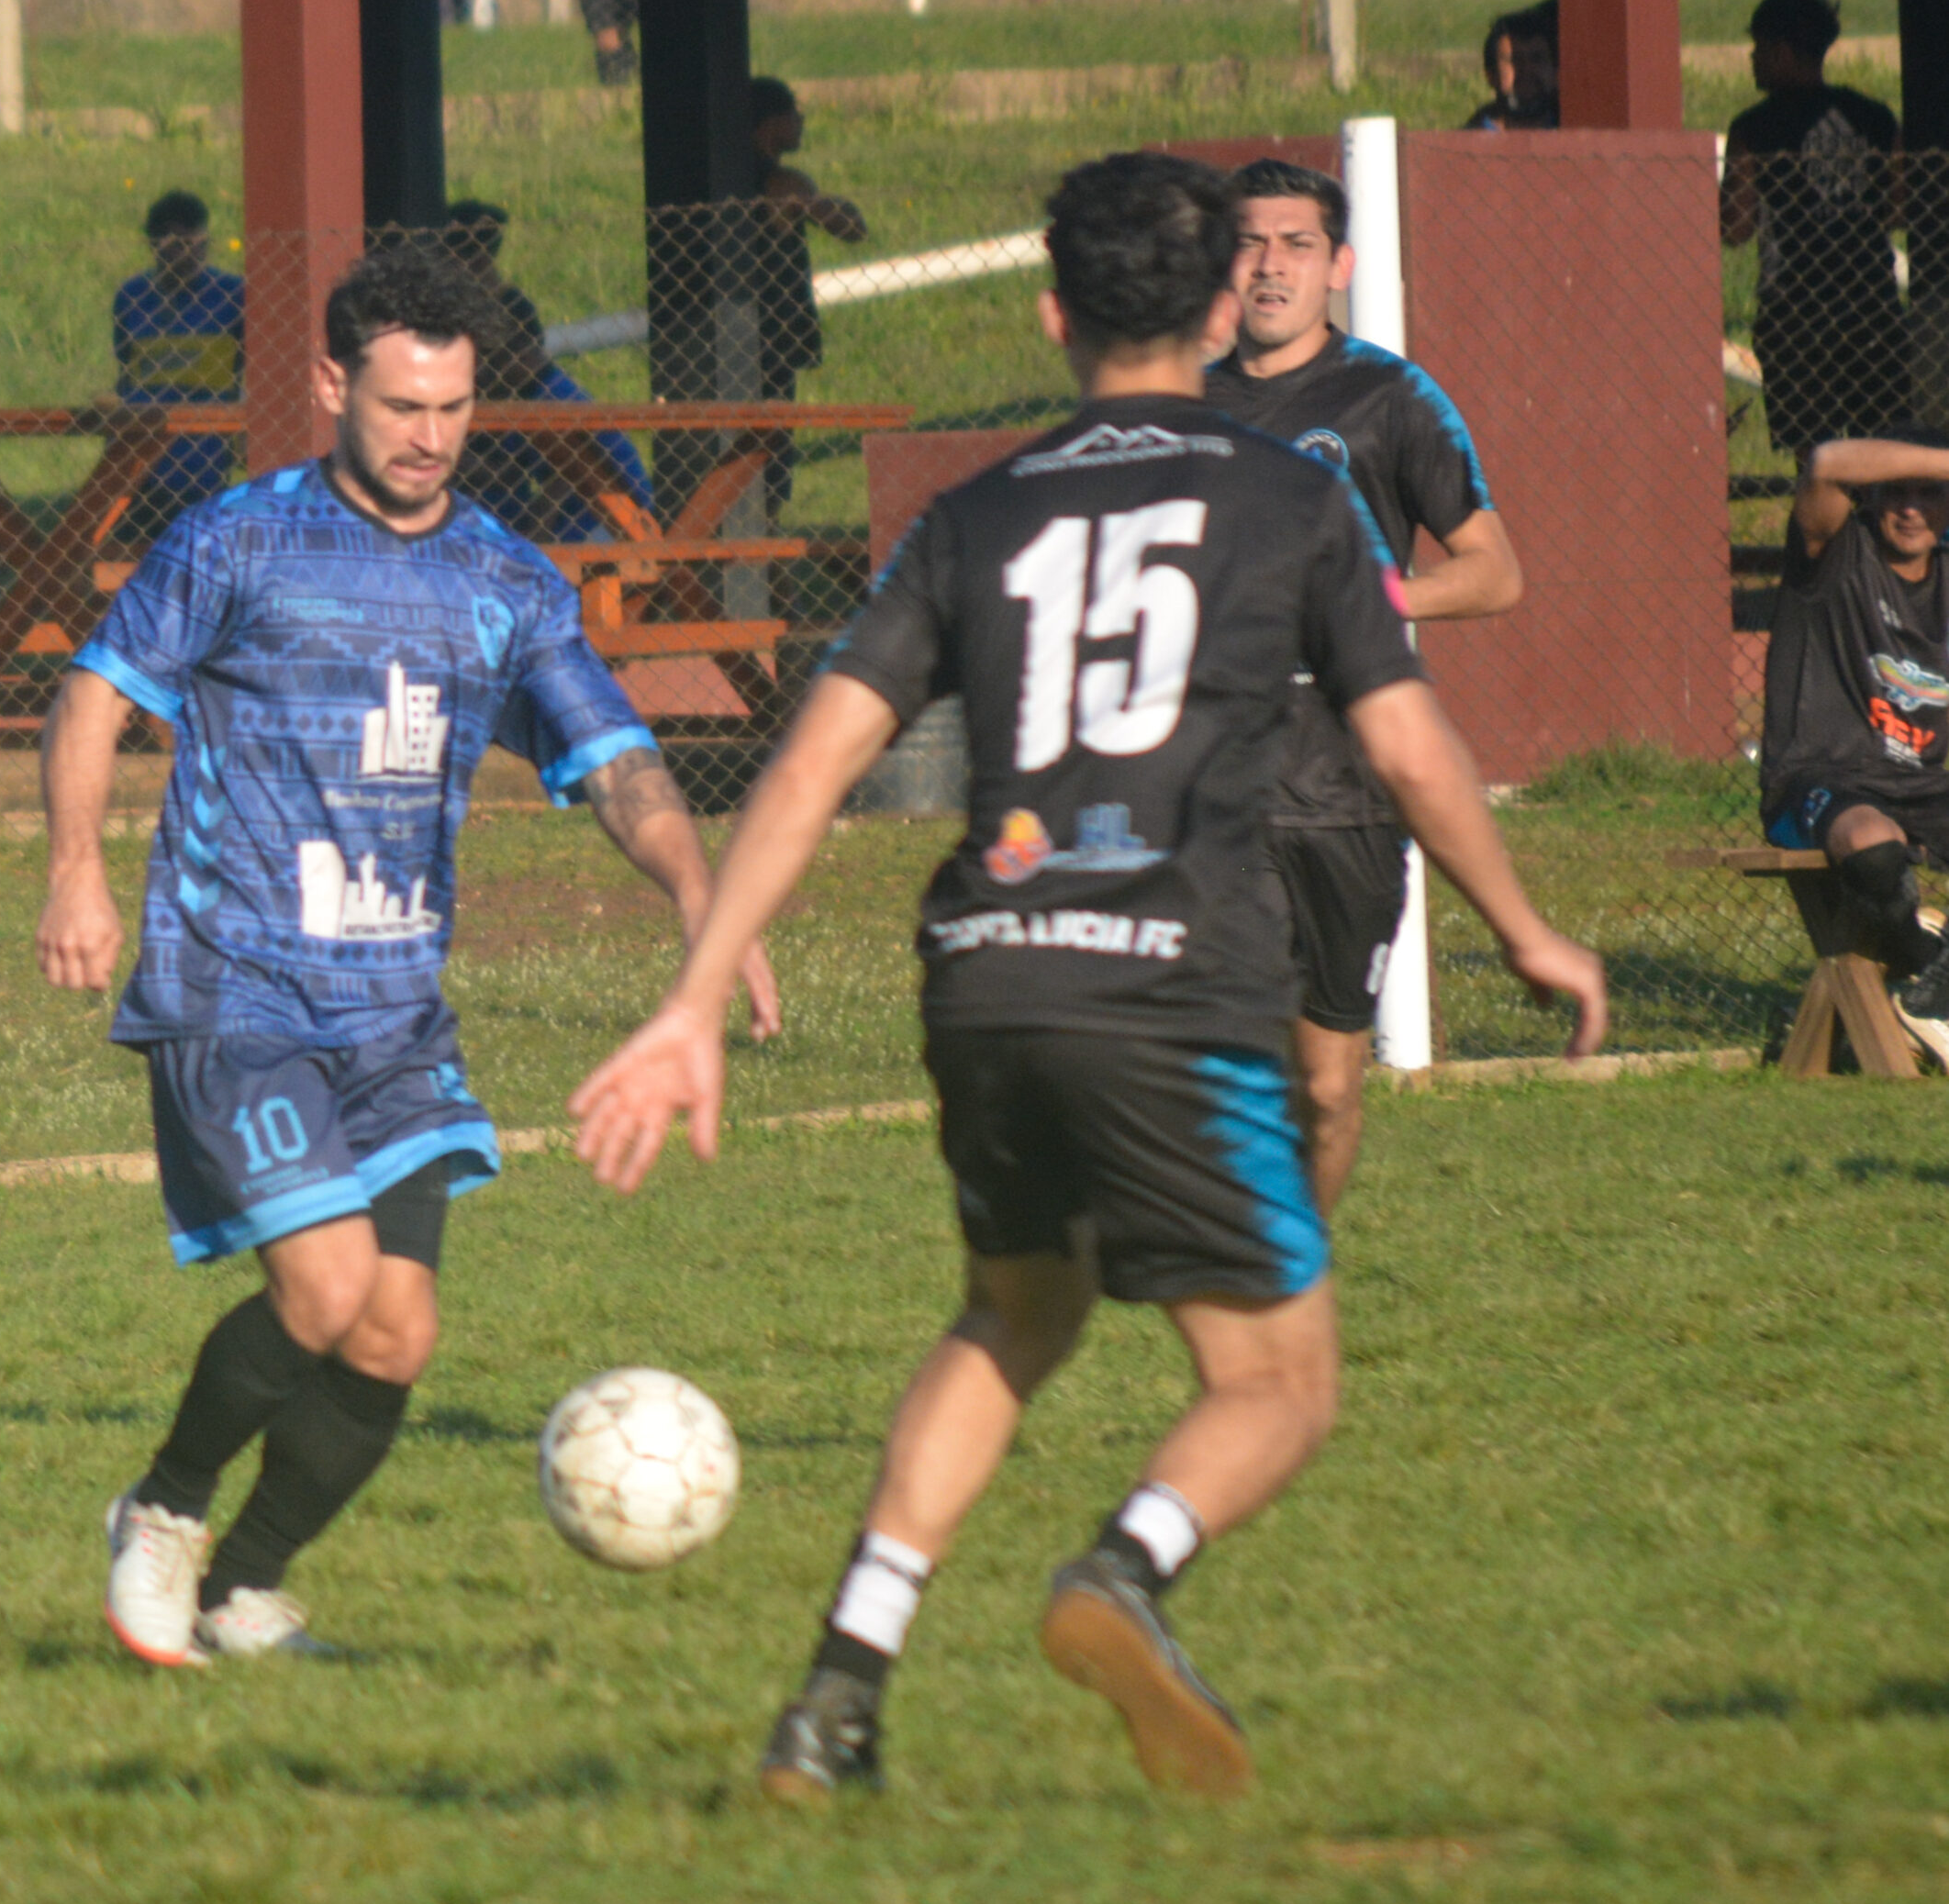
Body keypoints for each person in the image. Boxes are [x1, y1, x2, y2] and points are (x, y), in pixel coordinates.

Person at [568, 152, 1605, 1804]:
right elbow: (1408, 747)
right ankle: (1123, 1572)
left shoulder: (975, 513)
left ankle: (838, 1693)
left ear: (1051, 314)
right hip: (1174, 979)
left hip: (985, 971)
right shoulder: (1292, 500)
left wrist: (692, 999)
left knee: (1015, 1312)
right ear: (1215, 304)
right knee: (1276, 1382)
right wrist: (1523, 927)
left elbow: (814, 759)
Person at [37, 244, 779, 1668]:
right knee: (323, 1292)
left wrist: (700, 894)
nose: (429, 437)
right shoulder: (236, 540)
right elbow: (92, 694)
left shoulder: (503, 580)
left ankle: (245, 1589)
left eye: (452, 408)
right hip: (236, 987)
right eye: (399, 407)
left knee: (394, 1335)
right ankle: (164, 1510)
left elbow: (613, 758)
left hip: (392, 1013)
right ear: (331, 385)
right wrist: (76, 874)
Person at [1206, 159, 1522, 1210]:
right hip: (1214, 782)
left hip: (1347, 788)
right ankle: (1232, 1265)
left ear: (1337, 265)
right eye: (1248, 242)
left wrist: (1372, 600)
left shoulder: (1391, 397)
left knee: (1328, 1090)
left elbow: (1493, 572)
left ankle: (1292, 1265)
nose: (1269, 265)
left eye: (1295, 244)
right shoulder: (1179, 404)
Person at [1759, 425, 1949, 1063]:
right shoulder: (1832, 553)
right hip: (1818, 778)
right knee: (1871, 846)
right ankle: (1924, 974)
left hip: (1918, 784)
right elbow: (1827, 462)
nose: (1911, 509)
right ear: (1871, 496)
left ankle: (1928, 985)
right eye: (1896, 492)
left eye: (1929, 494)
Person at [1721, 0, 1908, 460]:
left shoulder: (1753, 130)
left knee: (1814, 455)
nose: (1753, 59)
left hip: (1795, 311)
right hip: (1870, 302)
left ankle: (1823, 510)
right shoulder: (1874, 118)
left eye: (1759, 47)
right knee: (1882, 445)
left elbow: (1737, 228)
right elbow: (1899, 207)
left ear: (1783, 52)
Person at [440, 200, 652, 541]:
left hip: (613, 515)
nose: (486, 370)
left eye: (494, 358)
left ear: (523, 352)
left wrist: (537, 528)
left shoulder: (549, 396)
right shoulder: (525, 395)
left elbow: (572, 471)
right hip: (587, 511)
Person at [748, 77, 867, 518]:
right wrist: (812, 203)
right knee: (769, 461)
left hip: (743, 334)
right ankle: (766, 539)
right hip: (773, 335)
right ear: (770, 123)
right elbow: (852, 229)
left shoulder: (730, 178)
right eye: (793, 113)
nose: (801, 122)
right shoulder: (783, 182)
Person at [111, 189, 245, 544]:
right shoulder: (133, 298)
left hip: (203, 459)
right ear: (154, 245)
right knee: (131, 549)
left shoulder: (231, 296)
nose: (185, 254)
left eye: (193, 241)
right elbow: (126, 370)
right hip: (139, 460)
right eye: (174, 244)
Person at [1461, 0, 1558, 132]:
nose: (1526, 69)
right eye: (1514, 60)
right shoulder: (1469, 139)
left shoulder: (1572, 132)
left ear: (1556, 72)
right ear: (1491, 75)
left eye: (1537, 59)